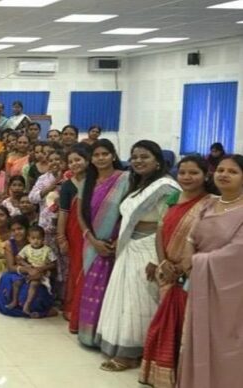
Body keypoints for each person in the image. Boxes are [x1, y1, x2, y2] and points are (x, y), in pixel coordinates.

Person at [96, 140, 179, 371]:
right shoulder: (139, 184)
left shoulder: (167, 187)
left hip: (150, 248)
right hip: (129, 246)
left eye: (144, 157)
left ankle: (135, 353)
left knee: (140, 300)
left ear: (158, 161)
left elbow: (169, 225)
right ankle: (123, 347)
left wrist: (159, 259)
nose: (138, 161)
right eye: (134, 157)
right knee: (125, 298)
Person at [139, 156, 213, 388]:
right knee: (166, 325)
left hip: (191, 274)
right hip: (167, 273)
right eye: (182, 172)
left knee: (187, 328)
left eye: (194, 173)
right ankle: (163, 375)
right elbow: (160, 233)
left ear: (205, 175)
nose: (187, 177)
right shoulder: (172, 199)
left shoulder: (211, 204)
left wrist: (182, 268)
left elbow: (208, 242)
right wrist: (163, 263)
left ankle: (185, 377)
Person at [178, 154, 243, 388]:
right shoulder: (208, 203)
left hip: (232, 291)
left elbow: (237, 252)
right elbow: (191, 236)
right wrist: (189, 255)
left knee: (227, 343)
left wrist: (196, 262)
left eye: (233, 172)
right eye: (221, 170)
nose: (224, 175)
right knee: (198, 335)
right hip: (202, 282)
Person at [75, 139, 130, 348]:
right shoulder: (86, 182)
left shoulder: (125, 179)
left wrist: (115, 241)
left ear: (113, 155)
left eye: (105, 154)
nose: (100, 158)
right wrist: (91, 239)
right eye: (96, 155)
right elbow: (80, 215)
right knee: (92, 288)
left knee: (111, 291)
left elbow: (127, 213)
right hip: (91, 244)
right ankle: (88, 336)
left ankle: (105, 336)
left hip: (114, 245)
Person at [56, 146, 89, 328]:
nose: (74, 164)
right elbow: (63, 212)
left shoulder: (96, 182)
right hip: (74, 232)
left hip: (93, 229)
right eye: (70, 162)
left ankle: (88, 310)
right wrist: (61, 237)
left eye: (78, 159)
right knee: (76, 268)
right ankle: (73, 308)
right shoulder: (68, 185)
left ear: (87, 160)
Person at [8, 225, 57, 318]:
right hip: (29, 270)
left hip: (41, 272)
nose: (36, 241)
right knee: (16, 282)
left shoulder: (47, 250)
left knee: (34, 283)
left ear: (43, 239)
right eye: (33, 238)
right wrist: (27, 265)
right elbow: (18, 258)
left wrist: (42, 268)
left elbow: (54, 264)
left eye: (39, 238)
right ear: (29, 239)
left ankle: (27, 304)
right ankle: (14, 301)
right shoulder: (27, 248)